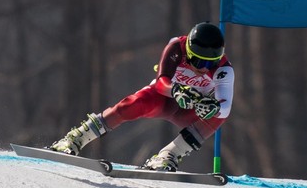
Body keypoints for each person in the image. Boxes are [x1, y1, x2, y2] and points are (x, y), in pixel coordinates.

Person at [49, 22, 235, 172]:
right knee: (131, 105)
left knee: (218, 115)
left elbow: (225, 106)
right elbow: (162, 81)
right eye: (198, 61)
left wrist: (214, 107)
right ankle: (77, 138)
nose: (203, 68)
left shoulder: (224, 69)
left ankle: (169, 155)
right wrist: (176, 90)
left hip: (192, 109)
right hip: (165, 98)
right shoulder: (176, 47)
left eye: (210, 63)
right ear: (188, 50)